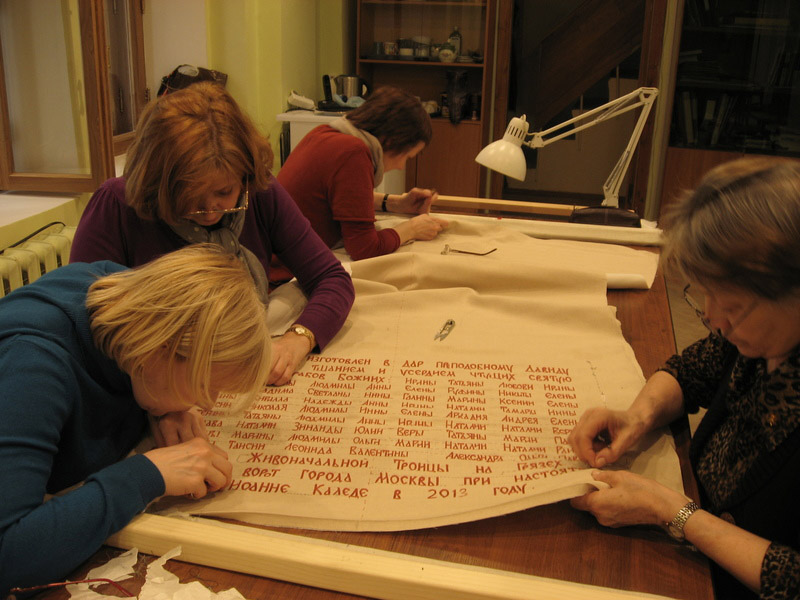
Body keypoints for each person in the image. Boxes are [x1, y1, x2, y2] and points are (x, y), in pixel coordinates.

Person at [567, 157, 800, 599]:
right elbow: (691, 371)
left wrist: (671, 511)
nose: (713, 319)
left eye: (733, 306)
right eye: (706, 294)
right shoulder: (759, 343)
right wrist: (636, 417)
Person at [0, 244, 272, 596]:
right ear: (156, 351)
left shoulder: (134, 302)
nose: (207, 404)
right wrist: (148, 475)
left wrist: (171, 406)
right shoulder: (31, 365)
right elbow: (10, 557)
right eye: (205, 386)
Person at [70, 81, 354, 386]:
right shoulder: (117, 205)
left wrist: (297, 340)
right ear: (160, 184)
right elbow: (83, 318)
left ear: (244, 176)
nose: (209, 212)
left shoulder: (259, 191)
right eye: (189, 197)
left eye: (224, 192)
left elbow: (331, 278)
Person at [276, 85, 449, 260]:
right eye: (406, 157)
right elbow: (365, 248)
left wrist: (396, 203)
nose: (401, 167)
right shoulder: (353, 153)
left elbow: (344, 199)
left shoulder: (326, 134)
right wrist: (411, 229)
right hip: (285, 267)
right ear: (390, 141)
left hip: (279, 253)